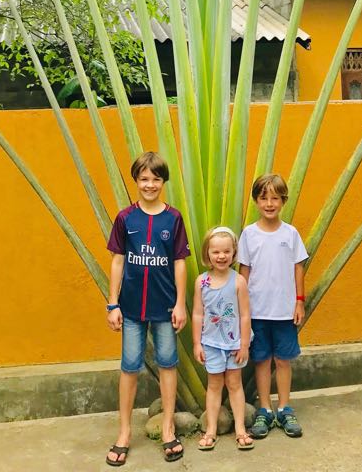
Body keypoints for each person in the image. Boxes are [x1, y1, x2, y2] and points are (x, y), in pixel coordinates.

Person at [105, 151, 190, 466]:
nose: (150, 185)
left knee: (167, 363)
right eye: (144, 179)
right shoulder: (125, 218)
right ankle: (124, 432)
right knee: (129, 366)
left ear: (163, 181)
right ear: (136, 181)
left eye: (155, 179)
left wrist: (180, 304)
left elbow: (179, 262)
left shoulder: (173, 218)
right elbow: (117, 261)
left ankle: (168, 428)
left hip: (165, 307)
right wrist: (112, 303)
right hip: (130, 309)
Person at [238, 173, 308, 439]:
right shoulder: (249, 234)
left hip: (284, 311)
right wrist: (242, 308)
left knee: (283, 360)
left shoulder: (290, 234)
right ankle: (265, 409)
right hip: (257, 311)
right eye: (264, 198)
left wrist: (299, 302)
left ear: (283, 201)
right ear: (256, 201)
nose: (269, 203)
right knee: (262, 360)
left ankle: (285, 407)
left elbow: (298, 268)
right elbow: (244, 271)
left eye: (275, 198)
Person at [191, 226, 254, 453]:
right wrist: (197, 343)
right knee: (214, 385)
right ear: (207, 253)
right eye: (216, 252)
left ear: (234, 252)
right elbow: (197, 313)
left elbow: (245, 315)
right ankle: (211, 430)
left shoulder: (238, 282)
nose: (221, 256)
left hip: (234, 344)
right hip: (211, 344)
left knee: (235, 384)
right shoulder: (202, 282)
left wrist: (244, 344)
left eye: (226, 251)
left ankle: (240, 429)